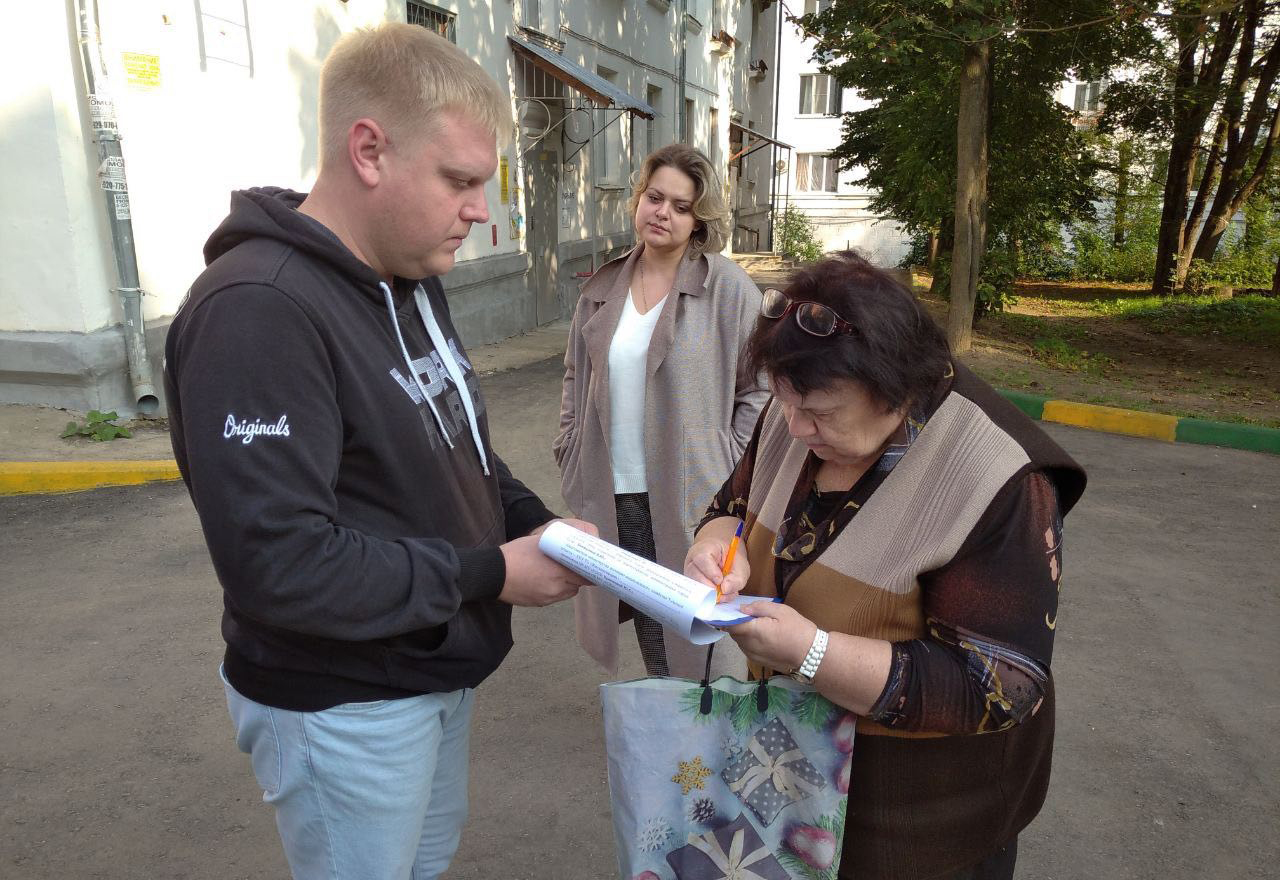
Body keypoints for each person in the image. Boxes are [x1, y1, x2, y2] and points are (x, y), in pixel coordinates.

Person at [164, 23, 595, 880]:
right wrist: (493, 573)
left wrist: (539, 526)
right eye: (461, 181)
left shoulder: (406, 279)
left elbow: (458, 448)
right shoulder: (259, 310)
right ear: (369, 150)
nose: (482, 210)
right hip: (341, 702)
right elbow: (280, 565)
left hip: (428, 670)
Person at [684, 252, 1087, 880]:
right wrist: (713, 545)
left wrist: (811, 651)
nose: (794, 426)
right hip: (792, 771)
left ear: (896, 389)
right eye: (785, 403)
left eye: (818, 412)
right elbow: (733, 505)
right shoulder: (794, 409)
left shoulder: (999, 477)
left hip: (924, 816)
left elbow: (998, 684)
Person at [554, 144, 768, 679]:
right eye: (654, 198)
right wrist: (571, 447)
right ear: (638, 198)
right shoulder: (603, 288)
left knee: (699, 629)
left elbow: (761, 390)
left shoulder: (728, 290)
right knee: (654, 628)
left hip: (694, 491)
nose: (662, 214)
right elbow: (575, 376)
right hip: (615, 487)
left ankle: (698, 743)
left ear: (699, 220)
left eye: (680, 205)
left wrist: (729, 462)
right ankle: (676, 743)